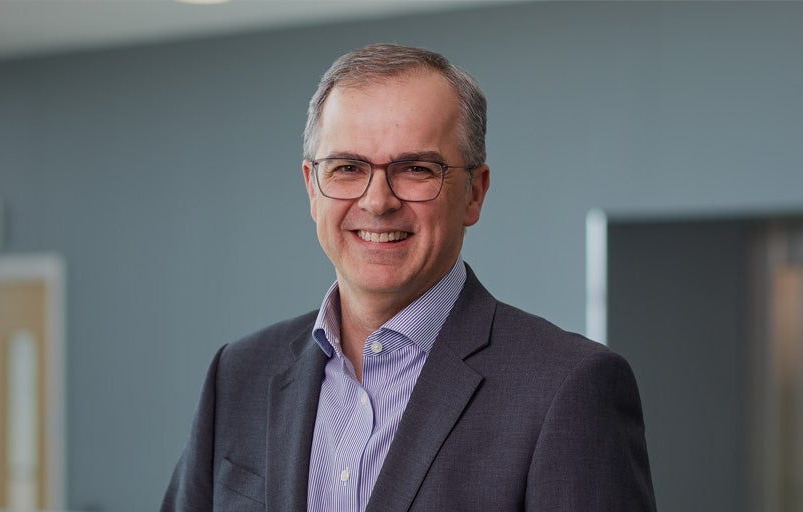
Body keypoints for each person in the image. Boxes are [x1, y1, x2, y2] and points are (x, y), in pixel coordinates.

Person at [162, 43, 656, 511]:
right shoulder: (238, 375)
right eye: (347, 167)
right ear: (313, 188)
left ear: (474, 194)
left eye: (416, 168)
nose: (378, 201)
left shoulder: (567, 387)